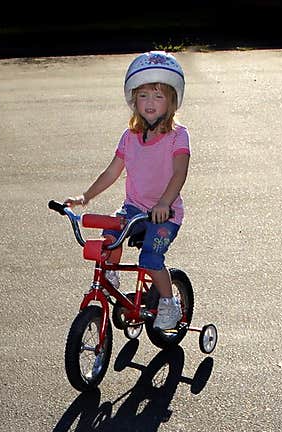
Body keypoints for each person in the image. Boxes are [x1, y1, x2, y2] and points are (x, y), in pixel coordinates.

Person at [63, 51, 190, 330]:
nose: (150, 103)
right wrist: (85, 197)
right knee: (109, 238)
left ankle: (169, 302)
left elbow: (179, 172)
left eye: (158, 96)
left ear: (172, 100)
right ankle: (111, 280)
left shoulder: (178, 136)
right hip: (134, 209)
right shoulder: (129, 136)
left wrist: (164, 203)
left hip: (164, 214)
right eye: (143, 96)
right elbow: (112, 171)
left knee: (150, 257)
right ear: (134, 100)